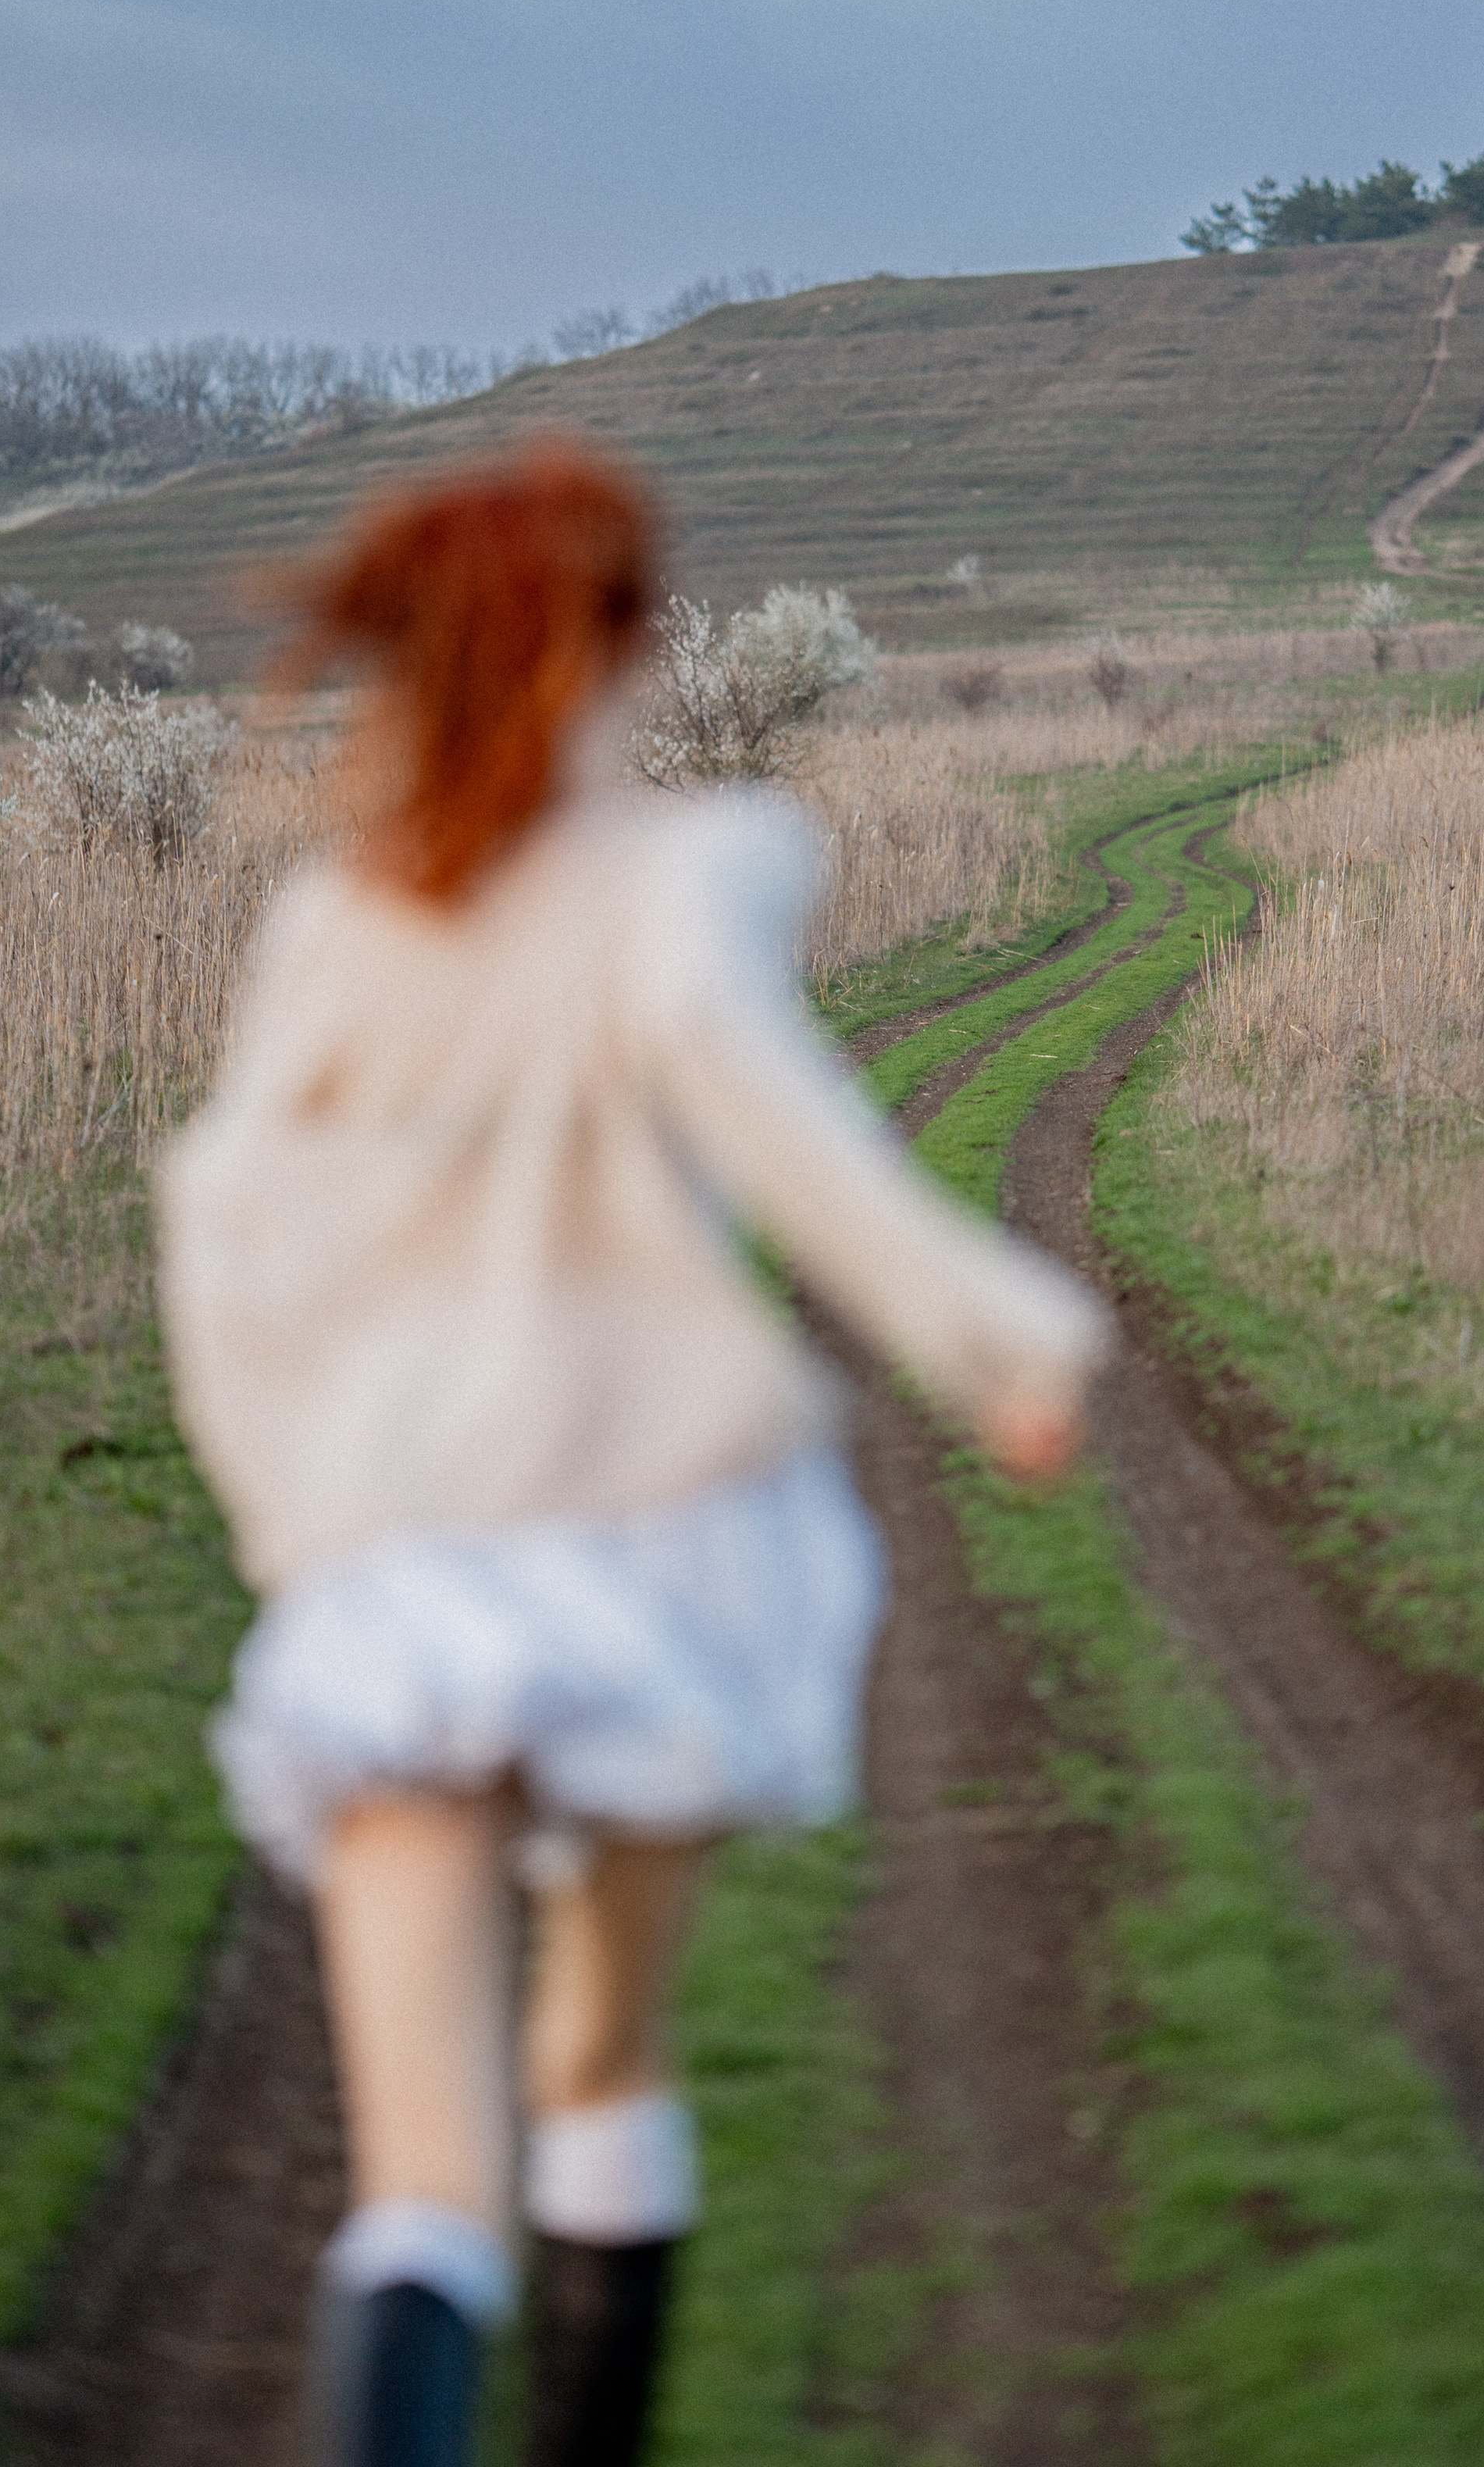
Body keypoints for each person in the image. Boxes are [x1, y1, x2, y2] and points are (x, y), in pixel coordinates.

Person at [155, 444, 1108, 2467]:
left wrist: (295, 1506)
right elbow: (805, 1154)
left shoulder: (339, 918)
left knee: (420, 2183)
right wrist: (1002, 1345)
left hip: (403, 1575)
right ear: (615, 643)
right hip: (654, 1556)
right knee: (601, 2057)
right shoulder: (687, 880)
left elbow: (223, 1220)